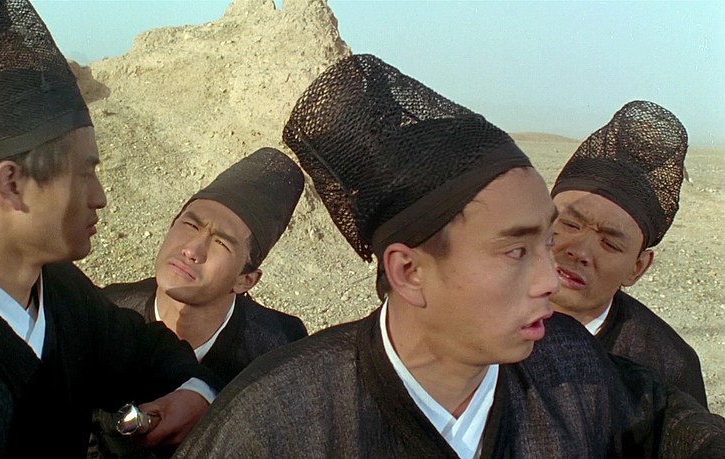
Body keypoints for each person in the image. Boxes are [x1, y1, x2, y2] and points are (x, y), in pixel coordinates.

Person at [174, 55, 725, 458]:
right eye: (516, 249)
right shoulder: (276, 421)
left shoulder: (571, 362)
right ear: (408, 271)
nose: (548, 277)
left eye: (545, 242)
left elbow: (675, 429)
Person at [0, 0, 220, 456]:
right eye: (84, 173)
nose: (99, 196)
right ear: (11, 185)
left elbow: (152, 356)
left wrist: (195, 394)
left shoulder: (63, 292)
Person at [90, 147, 308, 457]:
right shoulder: (109, 311)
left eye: (221, 243)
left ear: (245, 280)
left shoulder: (276, 349)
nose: (192, 250)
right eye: (190, 225)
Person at [550, 100, 708, 407]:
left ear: (637, 268)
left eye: (609, 243)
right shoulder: (470, 306)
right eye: (569, 224)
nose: (580, 252)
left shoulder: (667, 367)